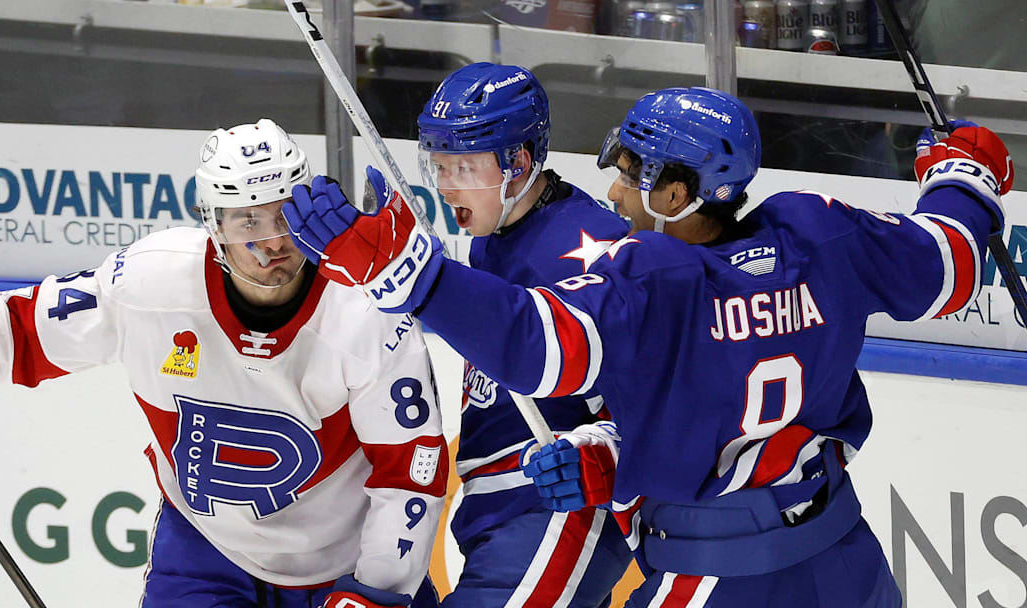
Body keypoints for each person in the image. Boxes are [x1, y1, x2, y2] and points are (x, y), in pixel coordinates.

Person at [280, 88, 1013, 606]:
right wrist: (964, 172)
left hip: (717, 571)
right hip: (843, 553)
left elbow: (537, 347)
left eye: (632, 175)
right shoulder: (820, 233)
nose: (615, 192)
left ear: (677, 195)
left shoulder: (655, 279)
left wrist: (409, 275)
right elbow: (947, 259)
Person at [0, 119, 447, 608]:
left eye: (283, 215)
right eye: (247, 221)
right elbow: (24, 330)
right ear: (213, 223)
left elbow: (411, 473)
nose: (271, 242)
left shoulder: (366, 309)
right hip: (207, 548)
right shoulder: (150, 283)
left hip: (349, 557)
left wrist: (375, 592)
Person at [417, 62, 632, 606]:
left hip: (559, 509)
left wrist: (602, 452)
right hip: (496, 506)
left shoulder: (597, 251)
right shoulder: (497, 228)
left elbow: (661, 406)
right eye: (439, 167)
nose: (446, 187)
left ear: (519, 162)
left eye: (464, 168)